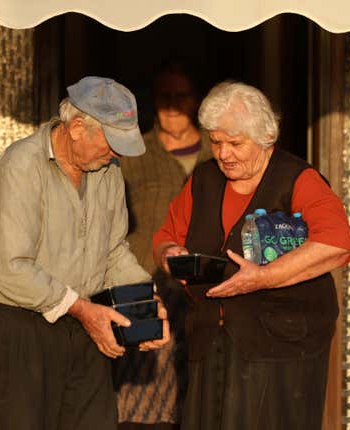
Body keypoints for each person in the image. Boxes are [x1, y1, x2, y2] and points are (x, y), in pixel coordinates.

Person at [153, 81, 350, 429]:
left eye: (235, 143)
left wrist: (262, 277)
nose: (224, 154)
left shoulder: (298, 179)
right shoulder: (203, 179)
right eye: (216, 142)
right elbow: (165, 238)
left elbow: (337, 243)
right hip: (211, 342)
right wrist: (172, 255)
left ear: (265, 139)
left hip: (281, 350)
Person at [0, 76, 170, 430]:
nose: (116, 154)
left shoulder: (107, 171)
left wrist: (148, 303)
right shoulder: (22, 164)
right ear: (78, 127)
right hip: (22, 330)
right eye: (112, 143)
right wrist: (82, 309)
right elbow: (9, 267)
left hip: (85, 326)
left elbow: (113, 251)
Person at [114, 61, 212, 429]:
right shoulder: (133, 156)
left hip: (203, 289)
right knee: (141, 399)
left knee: (200, 392)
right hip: (142, 284)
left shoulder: (219, 156)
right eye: (164, 96)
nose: (172, 104)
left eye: (181, 96)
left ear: (196, 100)